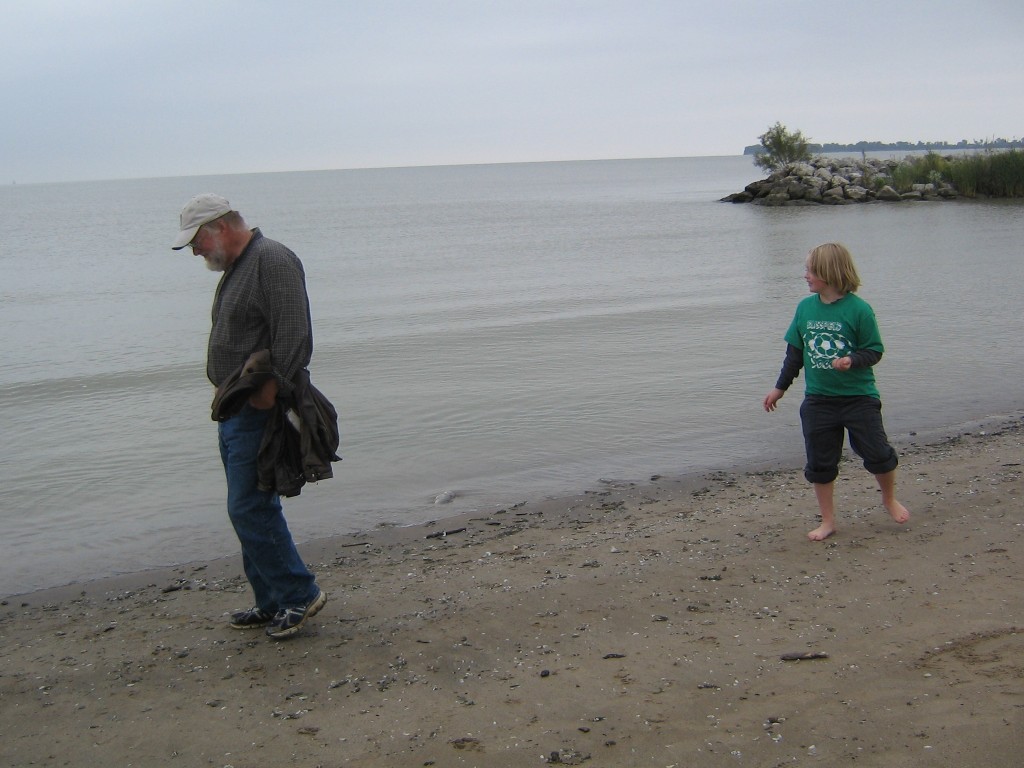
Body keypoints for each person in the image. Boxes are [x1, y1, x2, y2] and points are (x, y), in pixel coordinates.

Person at [172, 193, 327, 638]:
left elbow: (294, 335)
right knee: (252, 506)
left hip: (257, 409)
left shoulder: (272, 259)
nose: (195, 252)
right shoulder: (240, 265)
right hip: (236, 408)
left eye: (196, 242)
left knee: (248, 508)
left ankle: (298, 594)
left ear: (218, 228)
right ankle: (271, 599)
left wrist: (266, 396)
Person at [763, 242, 910, 541]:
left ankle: (888, 499)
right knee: (820, 463)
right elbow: (795, 355)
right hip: (818, 400)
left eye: (809, 270)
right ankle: (828, 520)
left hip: (859, 398)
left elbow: (874, 350)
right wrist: (779, 388)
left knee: (878, 454)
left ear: (829, 273)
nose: (805, 275)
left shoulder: (859, 310)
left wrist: (851, 360)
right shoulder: (805, 308)